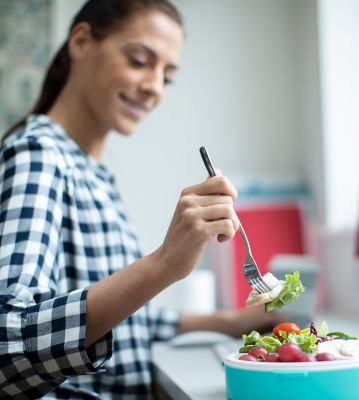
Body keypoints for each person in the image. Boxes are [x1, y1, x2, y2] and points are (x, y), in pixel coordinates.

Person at [0, 0, 283, 398]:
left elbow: (120, 320)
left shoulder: (93, 173)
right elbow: (6, 343)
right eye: (139, 60)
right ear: (81, 41)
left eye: (167, 77)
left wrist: (229, 321)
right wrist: (162, 264)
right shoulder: (38, 156)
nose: (154, 87)